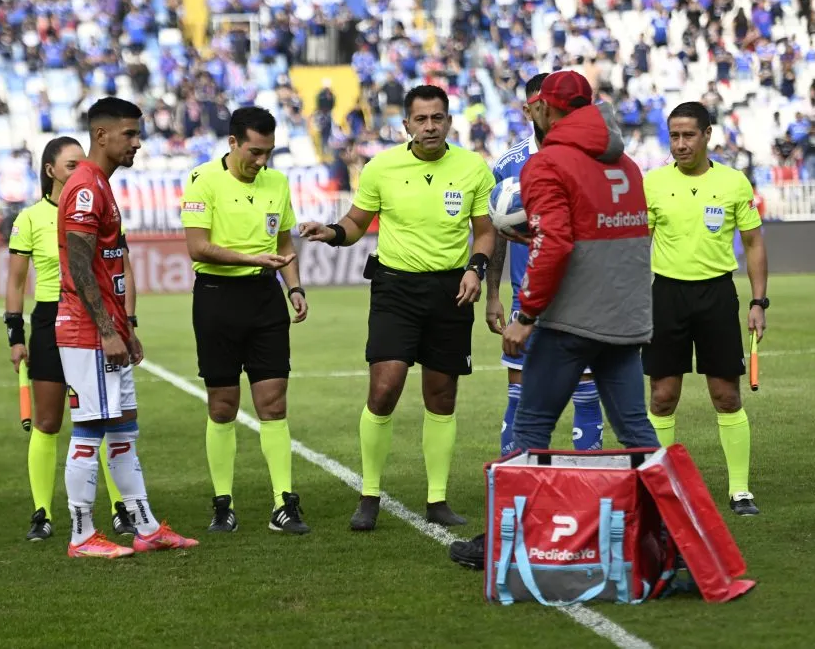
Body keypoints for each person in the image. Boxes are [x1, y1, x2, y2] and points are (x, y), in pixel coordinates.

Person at [449, 70, 660, 569]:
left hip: (570, 322)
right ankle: (665, 532)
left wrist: (525, 314)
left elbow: (557, 243)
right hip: (625, 318)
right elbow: (620, 237)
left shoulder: (547, 164)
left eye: (535, 106)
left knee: (531, 428)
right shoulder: (627, 164)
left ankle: (508, 540)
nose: (530, 113)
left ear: (546, 109)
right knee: (636, 429)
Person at [299, 84, 496, 531]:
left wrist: (475, 269)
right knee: (384, 389)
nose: (430, 126)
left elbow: (484, 231)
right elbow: (355, 222)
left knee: (442, 395)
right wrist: (332, 232)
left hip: (452, 290)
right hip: (396, 290)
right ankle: (369, 495)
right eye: (421, 119)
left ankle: (437, 499)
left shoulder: (472, 169)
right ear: (406, 125)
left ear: (449, 121)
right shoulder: (382, 167)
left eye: (438, 118)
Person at [56, 97, 198, 557]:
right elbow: (79, 267)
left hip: (107, 327)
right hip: (86, 332)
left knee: (123, 428)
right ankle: (81, 535)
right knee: (90, 429)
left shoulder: (100, 184)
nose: (138, 142)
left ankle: (146, 527)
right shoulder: (85, 187)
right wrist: (106, 329)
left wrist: (126, 324)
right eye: (130, 134)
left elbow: (105, 264)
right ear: (102, 135)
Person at [180, 106, 311, 536]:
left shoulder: (277, 182)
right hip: (217, 299)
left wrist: (293, 287)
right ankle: (223, 504)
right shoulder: (202, 180)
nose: (261, 161)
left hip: (264, 297)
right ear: (233, 143)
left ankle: (283, 503)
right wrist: (252, 258)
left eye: (268, 153)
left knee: (273, 404)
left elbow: (284, 239)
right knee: (223, 406)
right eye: (254, 152)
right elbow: (198, 248)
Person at [5, 136, 137, 542]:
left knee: (102, 415)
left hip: (94, 320)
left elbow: (124, 268)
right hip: (49, 320)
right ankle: (42, 512)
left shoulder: (98, 204)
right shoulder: (29, 218)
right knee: (47, 422)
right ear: (49, 171)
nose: (79, 169)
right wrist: (15, 334)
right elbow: (15, 281)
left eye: (82, 162)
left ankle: (121, 509)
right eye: (69, 164)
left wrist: (128, 322)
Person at [641, 101, 769, 517]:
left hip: (716, 296)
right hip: (666, 296)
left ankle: (739, 491)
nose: (680, 144)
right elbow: (637, 246)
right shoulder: (653, 183)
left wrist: (758, 301)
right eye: (674, 136)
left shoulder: (733, 183)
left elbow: (753, 243)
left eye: (688, 135)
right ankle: (660, 491)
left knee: (726, 394)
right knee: (662, 396)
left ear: (707, 134)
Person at [487, 72, 604, 457]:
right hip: (527, 300)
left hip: (582, 297)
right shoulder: (509, 165)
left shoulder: (593, 158)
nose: (550, 111)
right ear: (529, 109)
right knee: (520, 398)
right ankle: (514, 489)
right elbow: (497, 236)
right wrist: (493, 295)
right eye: (541, 104)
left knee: (586, 396)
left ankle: (588, 490)